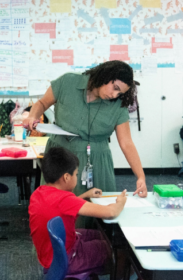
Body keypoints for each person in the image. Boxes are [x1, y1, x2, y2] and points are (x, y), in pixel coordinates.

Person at [22, 61, 148, 208]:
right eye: (115, 88)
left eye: (119, 93)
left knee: (98, 211)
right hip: (61, 157)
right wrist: (33, 116)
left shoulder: (118, 104)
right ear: (105, 76)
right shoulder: (68, 82)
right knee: (58, 208)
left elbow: (126, 143)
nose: (114, 95)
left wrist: (141, 176)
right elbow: (42, 103)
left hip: (97, 160)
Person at [29, 147, 126, 275]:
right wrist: (121, 201)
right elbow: (110, 212)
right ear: (66, 177)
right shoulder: (65, 199)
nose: (77, 177)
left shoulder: (38, 193)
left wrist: (86, 194)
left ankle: (93, 269)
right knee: (118, 252)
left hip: (50, 254)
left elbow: (60, 208)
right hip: (68, 258)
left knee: (104, 236)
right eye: (76, 174)